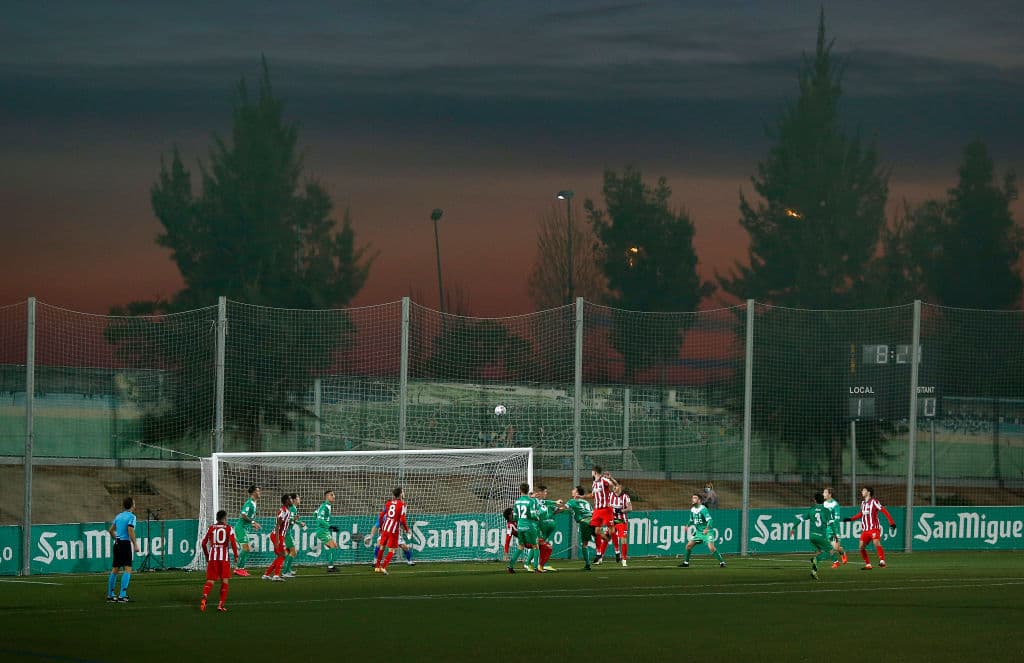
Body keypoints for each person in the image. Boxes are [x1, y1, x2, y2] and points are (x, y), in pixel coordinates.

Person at [843, 486, 896, 570]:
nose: (862, 491)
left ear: (868, 492)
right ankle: (868, 565)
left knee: (876, 542)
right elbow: (861, 514)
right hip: (865, 530)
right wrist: (850, 519)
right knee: (861, 547)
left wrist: (892, 522)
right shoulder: (863, 503)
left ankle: (882, 561)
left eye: (864, 490)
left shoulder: (874, 502)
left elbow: (883, 510)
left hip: (874, 528)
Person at [787, 492, 835, 580]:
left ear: (815, 500)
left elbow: (800, 519)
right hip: (821, 536)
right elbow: (832, 524)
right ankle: (816, 559)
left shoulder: (811, 510)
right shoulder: (826, 511)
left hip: (812, 536)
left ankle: (814, 571)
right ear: (823, 500)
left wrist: (793, 528)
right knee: (831, 551)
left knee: (819, 552)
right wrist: (835, 534)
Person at [200, 509, 239, 612]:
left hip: (213, 556)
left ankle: (205, 595)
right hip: (224, 558)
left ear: (217, 518)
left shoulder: (211, 528)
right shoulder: (229, 528)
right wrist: (236, 556)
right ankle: (220, 605)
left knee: (211, 580)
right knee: (225, 580)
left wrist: (207, 555)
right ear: (225, 518)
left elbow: (203, 543)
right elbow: (233, 543)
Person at [679, 493, 726, 568]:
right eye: (692, 498)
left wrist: (707, 529)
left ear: (699, 500)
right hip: (698, 533)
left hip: (707, 532)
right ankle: (686, 563)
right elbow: (691, 520)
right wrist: (687, 525)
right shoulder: (692, 509)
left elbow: (710, 520)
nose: (693, 499)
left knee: (711, 548)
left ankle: (722, 562)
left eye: (695, 498)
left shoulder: (703, 509)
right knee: (688, 546)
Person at [107, 496, 140, 602]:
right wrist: (135, 544)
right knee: (128, 568)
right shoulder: (132, 517)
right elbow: (130, 529)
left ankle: (110, 595)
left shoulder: (119, 516)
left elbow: (110, 530)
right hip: (125, 544)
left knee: (115, 569)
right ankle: (122, 595)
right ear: (132, 505)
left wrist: (116, 538)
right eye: (134, 503)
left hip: (117, 544)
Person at [584, 465, 618, 565]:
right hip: (598, 510)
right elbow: (593, 495)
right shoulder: (594, 483)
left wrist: (611, 478)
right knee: (595, 530)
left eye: (592, 472)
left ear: (594, 472)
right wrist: (582, 496)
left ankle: (617, 552)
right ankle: (599, 554)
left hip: (607, 509)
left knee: (611, 530)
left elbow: (615, 486)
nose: (591, 473)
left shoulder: (604, 481)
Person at [374, 486, 411, 575]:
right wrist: (407, 530)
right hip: (393, 530)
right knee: (392, 550)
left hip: (385, 528)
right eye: (403, 492)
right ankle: (383, 567)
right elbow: (403, 519)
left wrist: (381, 527)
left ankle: (377, 567)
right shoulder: (402, 505)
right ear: (401, 494)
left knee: (382, 547)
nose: (404, 493)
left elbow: (381, 515)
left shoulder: (388, 503)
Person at [507, 483, 540, 573]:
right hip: (529, 527)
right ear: (528, 490)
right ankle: (536, 568)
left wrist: (520, 521)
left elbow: (514, 517)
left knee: (521, 546)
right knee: (535, 546)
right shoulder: (531, 501)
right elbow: (533, 515)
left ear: (520, 490)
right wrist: (537, 518)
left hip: (520, 527)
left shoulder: (517, 502)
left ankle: (510, 567)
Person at [565, 485, 596, 570]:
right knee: (598, 537)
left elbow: (564, 508)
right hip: (593, 520)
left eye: (574, 490)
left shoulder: (572, 501)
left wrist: (555, 510)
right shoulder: (586, 502)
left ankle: (587, 564)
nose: (572, 490)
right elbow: (592, 512)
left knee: (585, 544)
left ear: (577, 493)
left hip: (585, 522)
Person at [233, 485, 261, 577]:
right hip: (240, 528)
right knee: (246, 548)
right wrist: (253, 522)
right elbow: (243, 515)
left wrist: (252, 524)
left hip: (244, 528)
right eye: (257, 491)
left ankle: (241, 568)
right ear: (253, 492)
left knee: (246, 548)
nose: (259, 493)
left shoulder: (254, 503)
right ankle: (238, 569)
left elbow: (248, 517)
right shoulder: (249, 503)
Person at [262, 494, 292, 581]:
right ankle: (276, 576)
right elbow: (278, 525)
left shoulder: (286, 510)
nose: (292, 501)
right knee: (283, 555)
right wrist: (277, 539)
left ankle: (266, 574)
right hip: (277, 535)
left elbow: (283, 523)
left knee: (280, 555)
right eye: (290, 499)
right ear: (286, 501)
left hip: (278, 535)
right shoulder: (284, 511)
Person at [534, 485, 564, 572]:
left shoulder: (544, 503)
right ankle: (533, 565)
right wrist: (555, 502)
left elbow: (556, 509)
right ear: (540, 492)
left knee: (541, 546)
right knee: (539, 546)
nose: (546, 493)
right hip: (537, 527)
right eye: (545, 492)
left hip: (544, 528)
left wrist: (565, 507)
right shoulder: (534, 501)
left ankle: (540, 565)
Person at [822, 487, 848, 568]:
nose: (823, 494)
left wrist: (833, 527)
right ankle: (835, 562)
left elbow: (837, 518)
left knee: (836, 548)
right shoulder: (824, 504)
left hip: (834, 528)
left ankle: (843, 553)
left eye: (825, 492)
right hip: (827, 528)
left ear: (830, 494)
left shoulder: (835, 504)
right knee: (828, 547)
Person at [315, 489, 341, 573]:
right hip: (322, 530)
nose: (334, 496)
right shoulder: (325, 506)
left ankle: (330, 566)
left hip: (324, 530)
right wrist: (330, 526)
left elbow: (315, 514)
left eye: (333, 495)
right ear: (327, 496)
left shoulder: (326, 505)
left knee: (332, 546)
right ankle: (331, 567)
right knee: (333, 546)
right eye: (331, 495)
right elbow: (319, 519)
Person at [281, 493, 306, 578]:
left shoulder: (292, 508)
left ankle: (288, 569)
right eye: (298, 498)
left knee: (289, 552)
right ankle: (285, 572)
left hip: (286, 532)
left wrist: (298, 522)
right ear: (294, 500)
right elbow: (289, 520)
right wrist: (298, 522)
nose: (299, 500)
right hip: (287, 532)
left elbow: (290, 520)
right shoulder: (293, 508)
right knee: (294, 552)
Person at [610, 482, 632, 567]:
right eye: (613, 486)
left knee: (623, 540)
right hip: (612, 520)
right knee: (606, 537)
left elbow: (630, 508)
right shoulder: (610, 495)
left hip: (621, 521)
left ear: (620, 486)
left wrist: (620, 510)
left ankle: (624, 560)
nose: (614, 488)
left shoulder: (625, 497)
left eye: (615, 486)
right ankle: (600, 557)